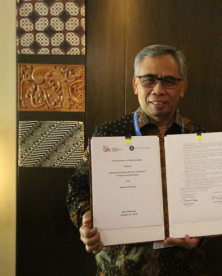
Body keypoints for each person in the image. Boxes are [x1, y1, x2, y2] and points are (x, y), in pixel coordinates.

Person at [67, 44, 206, 275]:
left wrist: (202, 237)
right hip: (120, 268)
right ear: (135, 84)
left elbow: (214, 202)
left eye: (169, 81)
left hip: (183, 267)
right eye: (148, 80)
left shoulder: (200, 137)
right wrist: (86, 219)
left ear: (183, 87)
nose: (158, 89)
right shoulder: (107, 135)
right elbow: (78, 189)